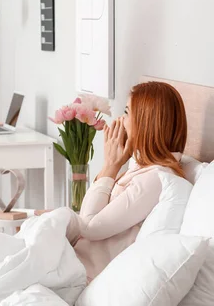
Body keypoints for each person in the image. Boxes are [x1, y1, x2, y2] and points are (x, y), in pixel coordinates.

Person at [67, 81, 189, 281]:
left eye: (126, 112)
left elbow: (89, 227)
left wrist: (110, 167)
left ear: (144, 123)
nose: (121, 121)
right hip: (75, 261)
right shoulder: (140, 168)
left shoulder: (156, 179)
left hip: (82, 273)